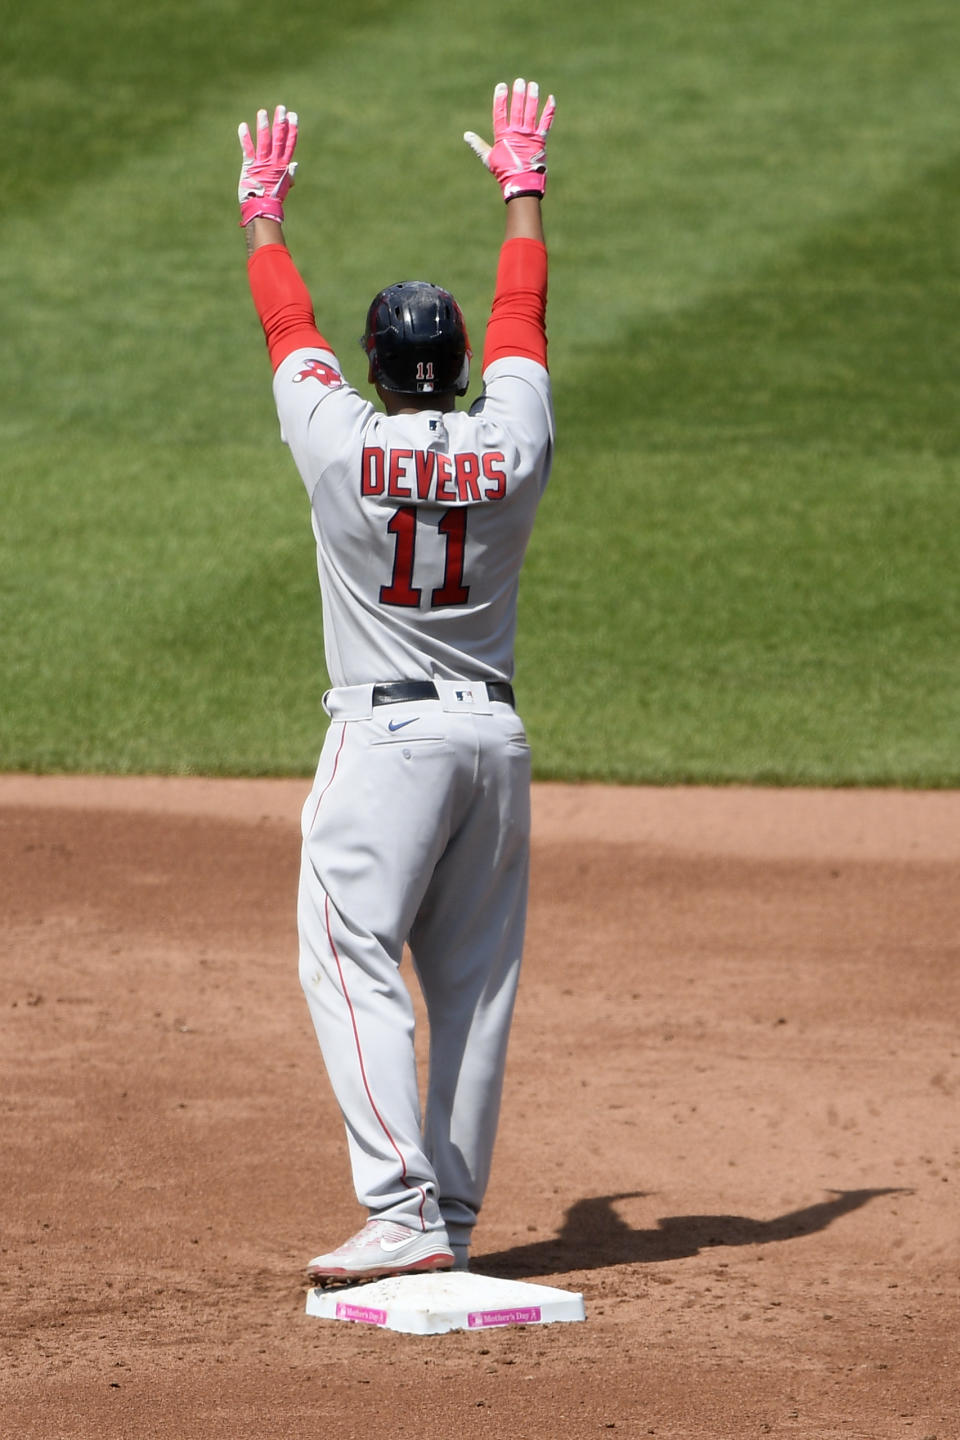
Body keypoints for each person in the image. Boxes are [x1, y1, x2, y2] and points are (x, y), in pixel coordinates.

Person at [237, 78, 556, 1283]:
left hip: (384, 749)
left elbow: (286, 328)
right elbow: (526, 317)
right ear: (462, 361)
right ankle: (453, 1221)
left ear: (375, 366)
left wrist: (263, 212)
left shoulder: (335, 441)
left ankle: (402, 1211)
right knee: (473, 983)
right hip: (498, 744)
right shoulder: (513, 440)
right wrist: (523, 190)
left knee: (344, 951)